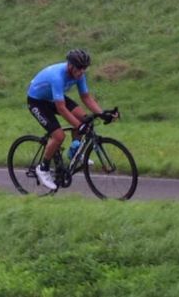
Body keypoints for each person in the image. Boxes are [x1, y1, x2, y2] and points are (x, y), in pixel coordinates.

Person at [26, 49, 117, 191]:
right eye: (79, 68)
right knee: (59, 136)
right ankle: (42, 168)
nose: (82, 72)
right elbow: (61, 109)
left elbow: (86, 97)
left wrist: (102, 114)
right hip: (37, 102)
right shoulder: (57, 76)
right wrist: (78, 125)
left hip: (53, 98)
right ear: (70, 65)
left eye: (84, 68)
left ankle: (74, 151)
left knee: (85, 120)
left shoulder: (80, 74)